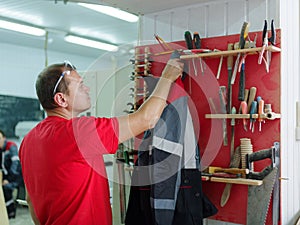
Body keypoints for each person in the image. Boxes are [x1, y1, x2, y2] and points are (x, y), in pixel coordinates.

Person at [18, 58, 184, 225]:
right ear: (61, 100)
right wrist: (167, 77)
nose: (87, 88)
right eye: (80, 85)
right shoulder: (78, 132)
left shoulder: (28, 140)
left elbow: (30, 199)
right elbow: (146, 119)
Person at [0, 129, 23, 219]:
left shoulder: (11, 147)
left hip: (15, 177)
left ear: (4, 138)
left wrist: (8, 179)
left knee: (6, 188)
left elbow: (15, 166)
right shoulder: (0, 150)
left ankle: (10, 212)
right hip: (5, 177)